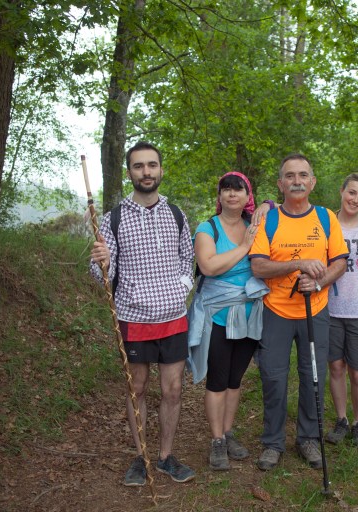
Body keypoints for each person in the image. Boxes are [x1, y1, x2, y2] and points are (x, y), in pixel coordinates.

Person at [90, 141, 196, 486]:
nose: (146, 172)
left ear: (161, 170)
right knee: (137, 387)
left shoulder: (176, 214)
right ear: (130, 172)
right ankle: (142, 457)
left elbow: (187, 259)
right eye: (139, 166)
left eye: (152, 165)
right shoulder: (114, 219)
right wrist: (102, 263)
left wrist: (180, 288)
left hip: (173, 317)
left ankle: (165, 457)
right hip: (134, 318)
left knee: (174, 390)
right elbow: (101, 277)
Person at [249, 154, 348, 471]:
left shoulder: (326, 217)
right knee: (274, 378)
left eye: (303, 175)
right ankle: (272, 442)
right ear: (280, 184)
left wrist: (318, 285)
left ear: (312, 181)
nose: (296, 181)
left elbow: (340, 263)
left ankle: (308, 438)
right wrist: (298, 264)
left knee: (313, 377)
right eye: (289, 176)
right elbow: (259, 266)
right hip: (275, 311)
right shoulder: (269, 220)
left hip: (315, 311)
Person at [186, 172, 271, 471]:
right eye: (226, 189)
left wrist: (268, 203)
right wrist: (244, 249)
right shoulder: (207, 228)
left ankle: (228, 431)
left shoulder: (254, 226)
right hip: (218, 315)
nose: (232, 194)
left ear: (248, 196)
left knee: (236, 380)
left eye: (239, 189)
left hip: (249, 315)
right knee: (218, 381)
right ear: (219, 196)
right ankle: (216, 440)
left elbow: (278, 210)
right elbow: (208, 266)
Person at [324, 173, 358, 451]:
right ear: (341, 191)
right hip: (331, 310)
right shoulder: (325, 224)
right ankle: (341, 419)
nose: (355, 199)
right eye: (351, 192)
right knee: (335, 367)